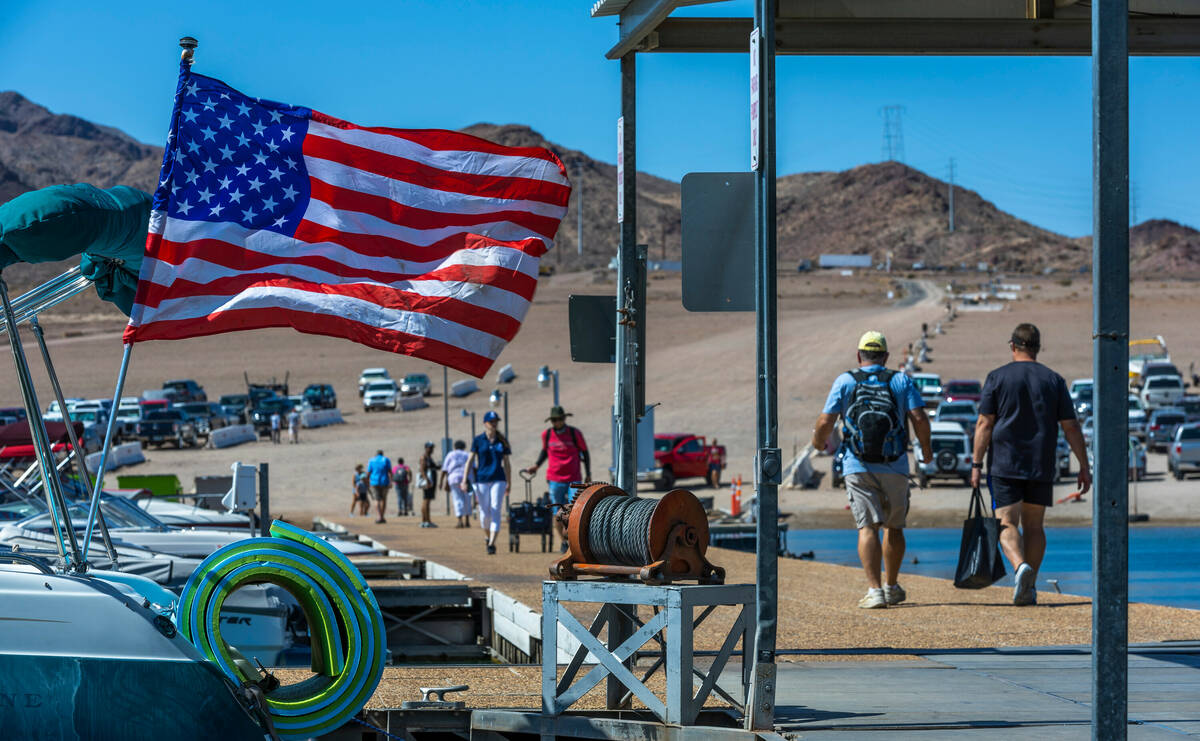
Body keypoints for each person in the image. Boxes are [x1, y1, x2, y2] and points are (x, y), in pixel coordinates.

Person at [972, 323, 1091, 606]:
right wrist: (1084, 465)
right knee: (1035, 526)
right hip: (1041, 463)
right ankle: (1031, 583)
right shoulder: (1054, 380)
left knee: (1006, 523)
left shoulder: (997, 377)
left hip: (1005, 463)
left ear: (1012, 346)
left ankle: (1020, 568)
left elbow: (984, 423)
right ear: (1037, 348)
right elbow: (1071, 426)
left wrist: (976, 464)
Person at [811, 331, 932, 609]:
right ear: (886, 357)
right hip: (896, 465)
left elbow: (825, 420)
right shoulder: (901, 380)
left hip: (858, 464)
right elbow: (920, 418)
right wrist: (926, 449)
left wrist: (818, 442)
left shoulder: (845, 381)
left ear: (859, 356)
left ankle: (874, 590)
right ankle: (891, 585)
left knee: (867, 526)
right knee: (895, 525)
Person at [523, 406, 589, 552]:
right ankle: (563, 541)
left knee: (574, 510)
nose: (557, 422)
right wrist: (536, 465)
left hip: (574, 479)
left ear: (564, 419)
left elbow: (585, 452)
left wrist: (588, 473)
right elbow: (544, 452)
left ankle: (573, 539)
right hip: (555, 479)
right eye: (554, 420)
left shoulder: (574, 434)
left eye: (559, 419)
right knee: (557, 513)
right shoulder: (547, 435)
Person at [467, 411, 511, 554]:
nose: (494, 424)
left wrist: (509, 481)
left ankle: (492, 543)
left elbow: (507, 462)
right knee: (484, 513)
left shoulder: (502, 441)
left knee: (495, 508)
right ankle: (487, 536)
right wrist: (464, 479)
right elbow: (470, 460)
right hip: (482, 480)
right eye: (491, 421)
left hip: (498, 478)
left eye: (496, 421)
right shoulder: (478, 440)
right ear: (485, 423)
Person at [441, 440, 472, 528]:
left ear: (455, 446)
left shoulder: (451, 454)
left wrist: (442, 482)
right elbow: (473, 467)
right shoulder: (467, 454)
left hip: (454, 479)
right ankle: (467, 521)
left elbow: (445, 469)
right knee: (467, 498)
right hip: (467, 479)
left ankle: (460, 521)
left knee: (457, 498)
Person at [418, 442, 440, 528]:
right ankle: (426, 520)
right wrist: (427, 480)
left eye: (432, 448)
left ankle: (425, 520)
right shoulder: (424, 457)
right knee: (426, 500)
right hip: (428, 481)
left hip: (430, 480)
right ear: (426, 448)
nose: (431, 450)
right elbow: (422, 470)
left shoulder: (429, 458)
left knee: (427, 500)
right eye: (430, 448)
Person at [367, 449, 392, 524]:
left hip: (374, 482)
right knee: (383, 499)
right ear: (382, 454)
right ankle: (382, 516)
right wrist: (391, 482)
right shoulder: (386, 460)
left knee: (376, 499)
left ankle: (379, 516)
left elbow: (369, 472)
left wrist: (367, 481)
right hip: (384, 481)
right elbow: (390, 472)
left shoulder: (372, 460)